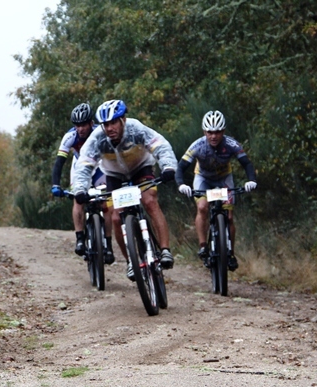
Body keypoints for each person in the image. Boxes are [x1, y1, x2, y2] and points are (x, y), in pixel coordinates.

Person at [71, 99, 177, 281]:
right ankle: (131, 262)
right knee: (115, 216)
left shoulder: (136, 128)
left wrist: (168, 167)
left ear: (123, 120)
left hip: (141, 168)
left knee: (150, 201)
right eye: (105, 124)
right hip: (114, 175)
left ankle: (165, 250)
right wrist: (80, 188)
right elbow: (85, 163)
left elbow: (160, 145)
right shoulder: (98, 138)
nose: (109, 128)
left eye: (113, 122)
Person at [175, 110, 257, 271]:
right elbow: (181, 167)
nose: (214, 136)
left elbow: (246, 163)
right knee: (202, 207)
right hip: (203, 179)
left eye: (218, 132)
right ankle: (203, 246)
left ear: (223, 131)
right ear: (204, 131)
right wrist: (181, 184)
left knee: (230, 216)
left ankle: (231, 253)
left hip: (224, 178)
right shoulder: (197, 146)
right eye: (210, 132)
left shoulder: (231, 144)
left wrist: (251, 180)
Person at [51, 103, 115, 264]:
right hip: (80, 167)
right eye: (77, 125)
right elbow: (59, 162)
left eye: (83, 124)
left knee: (106, 203)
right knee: (78, 198)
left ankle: (108, 244)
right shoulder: (70, 137)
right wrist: (55, 185)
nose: (80, 129)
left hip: (100, 165)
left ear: (91, 123)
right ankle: (80, 238)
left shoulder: (100, 133)